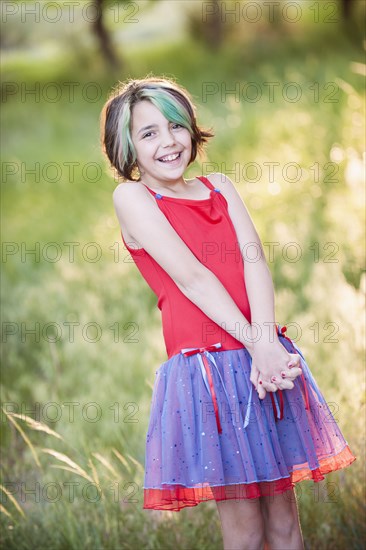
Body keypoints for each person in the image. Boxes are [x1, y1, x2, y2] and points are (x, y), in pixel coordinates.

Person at [100, 76, 356, 550]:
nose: (169, 141)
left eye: (175, 126)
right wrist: (259, 343)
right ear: (127, 146)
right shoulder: (132, 198)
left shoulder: (219, 185)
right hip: (210, 372)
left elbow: (255, 261)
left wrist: (267, 344)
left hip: (265, 364)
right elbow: (192, 278)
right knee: (245, 532)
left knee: (284, 524)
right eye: (148, 133)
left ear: (192, 131)